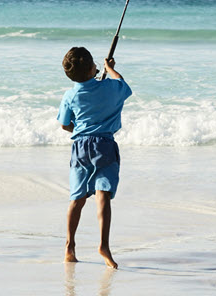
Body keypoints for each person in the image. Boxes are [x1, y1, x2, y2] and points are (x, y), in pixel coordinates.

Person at [57, 46, 131, 269]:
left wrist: (79, 129)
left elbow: (64, 124)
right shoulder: (110, 86)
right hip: (105, 146)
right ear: (92, 69)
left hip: (80, 147)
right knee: (103, 195)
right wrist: (111, 69)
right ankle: (104, 246)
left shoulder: (70, 95)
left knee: (77, 198)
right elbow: (123, 86)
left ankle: (69, 247)